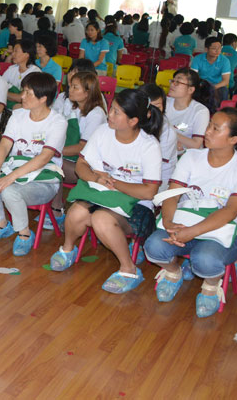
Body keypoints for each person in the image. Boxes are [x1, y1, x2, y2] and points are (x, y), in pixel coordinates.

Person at [143, 108, 237, 317]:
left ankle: (211, 288)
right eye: (209, 125)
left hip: (224, 234)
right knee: (152, 246)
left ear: (233, 139)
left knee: (204, 258)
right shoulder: (192, 157)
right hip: (184, 224)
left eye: (216, 128)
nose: (208, 131)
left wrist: (192, 232)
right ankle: (172, 273)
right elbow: (173, 193)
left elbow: (231, 210)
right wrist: (168, 221)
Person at [50, 90, 163, 294]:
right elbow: (81, 166)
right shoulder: (103, 132)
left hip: (136, 204)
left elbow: (149, 192)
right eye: (111, 109)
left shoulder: (149, 146)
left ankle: (129, 270)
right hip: (103, 194)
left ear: (133, 120)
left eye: (116, 112)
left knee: (100, 219)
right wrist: (96, 178)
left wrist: (114, 182)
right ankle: (68, 250)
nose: (109, 114)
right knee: (77, 212)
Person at [0, 72, 66, 256]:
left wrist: (10, 177)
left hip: (44, 180)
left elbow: (44, 157)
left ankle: (25, 233)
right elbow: (4, 146)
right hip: (16, 172)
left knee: (9, 191)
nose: (22, 96)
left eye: (28, 93)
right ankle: (0, 224)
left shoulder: (58, 122)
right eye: (23, 91)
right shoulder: (18, 115)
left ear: (43, 99)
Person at [51, 71, 107, 219]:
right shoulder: (72, 107)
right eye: (70, 86)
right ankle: (53, 205)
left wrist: (55, 152)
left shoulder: (96, 114)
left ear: (88, 92)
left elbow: (82, 147)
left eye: (75, 87)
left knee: (54, 164)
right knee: (48, 160)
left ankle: (56, 210)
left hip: (88, 166)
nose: (70, 90)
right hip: (71, 157)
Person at [139, 83, 177, 191]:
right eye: (149, 105)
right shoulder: (132, 119)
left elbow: (156, 166)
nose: (153, 110)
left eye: (158, 106)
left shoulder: (168, 132)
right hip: (133, 172)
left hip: (158, 180)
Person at [166, 68, 211, 156]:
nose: (172, 84)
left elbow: (196, 144)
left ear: (190, 90)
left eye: (178, 82)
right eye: (172, 81)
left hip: (189, 156)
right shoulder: (165, 103)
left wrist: (171, 135)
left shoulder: (201, 111)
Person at [191, 36, 231, 105]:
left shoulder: (225, 61)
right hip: (202, 84)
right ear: (206, 49)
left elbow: (226, 81)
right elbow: (193, 76)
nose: (217, 51)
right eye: (214, 48)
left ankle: (219, 110)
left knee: (224, 91)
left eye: (219, 48)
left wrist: (212, 88)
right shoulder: (197, 59)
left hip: (217, 85)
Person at [2, 39, 40, 105]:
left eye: (16, 51)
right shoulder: (11, 69)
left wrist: (2, 93)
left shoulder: (35, 73)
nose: (13, 54)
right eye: (13, 51)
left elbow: (21, 98)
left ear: (27, 54)